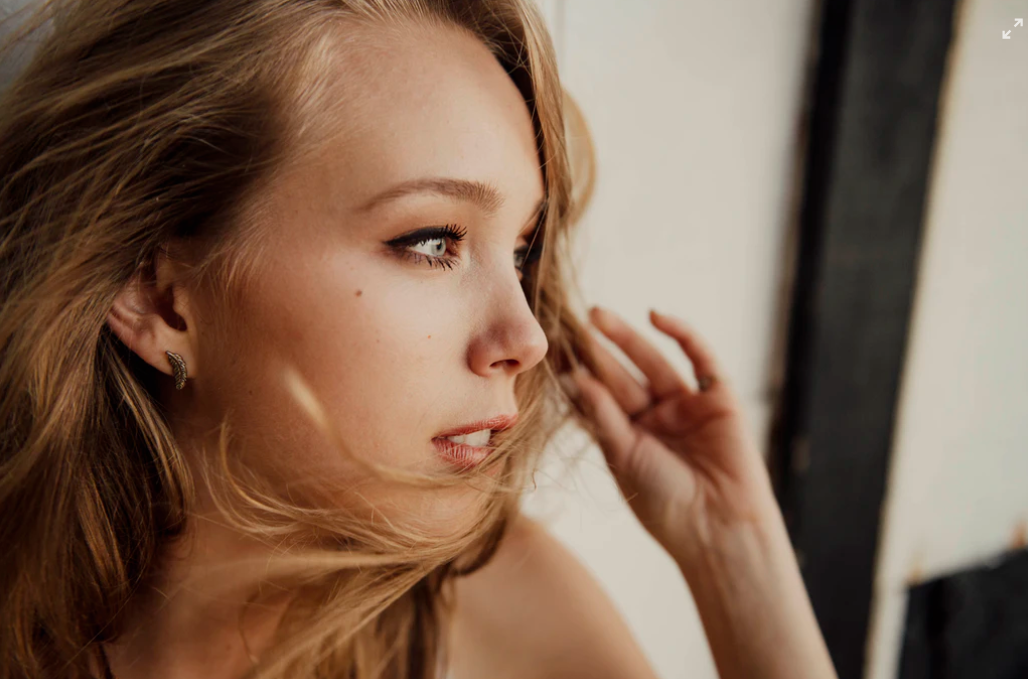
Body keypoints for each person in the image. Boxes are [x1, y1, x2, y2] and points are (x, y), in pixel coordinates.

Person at [0, 1, 838, 678]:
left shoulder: (492, 612)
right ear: (158, 294)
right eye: (432, 240)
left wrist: (734, 555)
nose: (527, 337)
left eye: (521, 250)